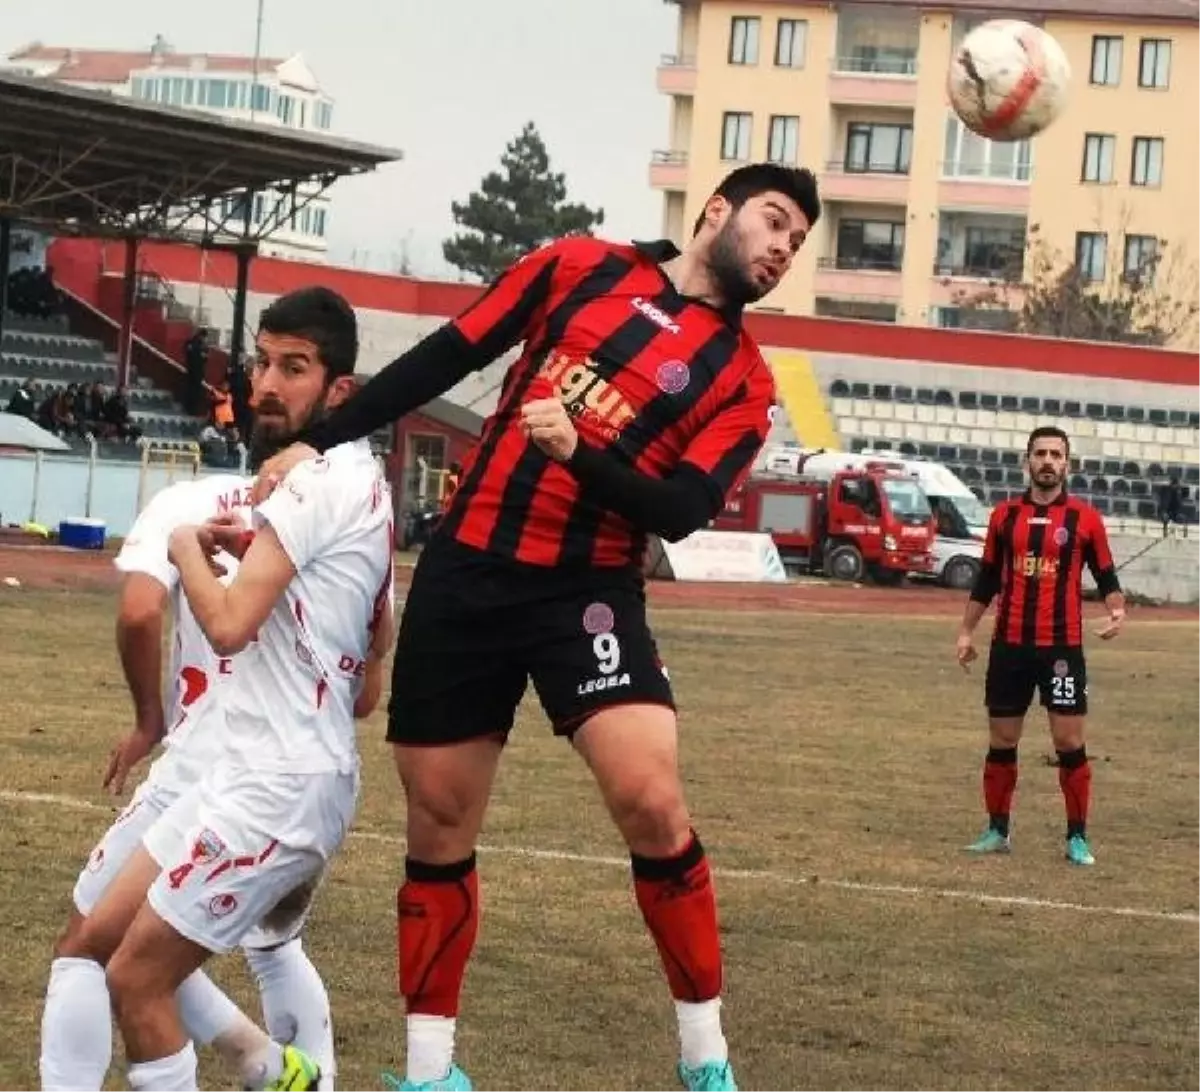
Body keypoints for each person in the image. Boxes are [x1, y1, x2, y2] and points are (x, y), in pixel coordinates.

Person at [254, 163, 821, 1091]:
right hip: (467, 574)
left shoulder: (747, 382)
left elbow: (680, 508)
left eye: (795, 242)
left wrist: (578, 453)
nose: (781, 249)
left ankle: (705, 1061)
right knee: (438, 822)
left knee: (651, 800)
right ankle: (431, 1073)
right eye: (773, 222)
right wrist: (322, 436)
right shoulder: (577, 265)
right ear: (716, 210)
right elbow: (447, 354)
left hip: (588, 591)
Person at [55, 286, 394, 1091]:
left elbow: (231, 622)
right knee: (97, 940)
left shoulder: (316, 484)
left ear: (339, 389)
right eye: (262, 363)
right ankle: (276, 1068)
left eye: (294, 368)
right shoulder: (357, 482)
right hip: (245, 768)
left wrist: (183, 550)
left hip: (276, 786)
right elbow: (376, 651)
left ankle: (277, 1069)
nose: (267, 385)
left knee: (138, 981)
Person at [956, 426, 1126, 867]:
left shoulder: (1085, 519)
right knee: (1002, 738)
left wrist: (1116, 610)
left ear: (1067, 465)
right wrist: (965, 632)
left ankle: (1078, 837)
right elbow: (988, 578)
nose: (1048, 461)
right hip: (1008, 646)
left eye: (1056, 454)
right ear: (1027, 461)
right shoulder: (1003, 517)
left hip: (1061, 650)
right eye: (1040, 453)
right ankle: (997, 830)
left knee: (1069, 741)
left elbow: (1107, 575)